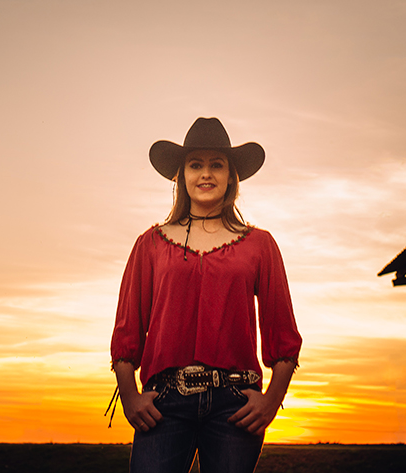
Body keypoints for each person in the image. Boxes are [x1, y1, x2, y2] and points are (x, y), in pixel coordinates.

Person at [110, 117, 301, 473]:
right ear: (181, 176)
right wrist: (129, 397)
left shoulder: (260, 245)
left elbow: (282, 329)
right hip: (163, 403)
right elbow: (127, 328)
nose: (206, 174)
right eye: (195, 165)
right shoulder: (150, 244)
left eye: (217, 165)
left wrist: (272, 400)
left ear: (232, 177)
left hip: (236, 405)